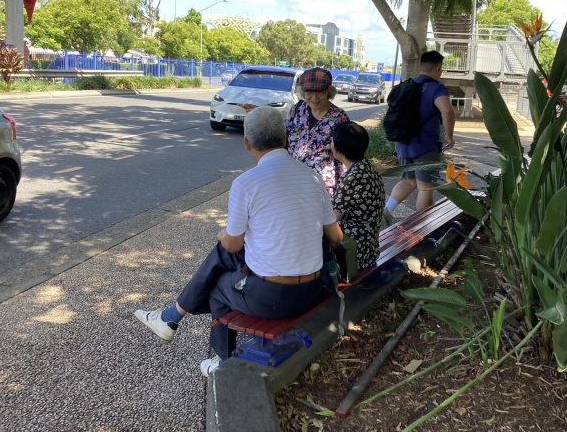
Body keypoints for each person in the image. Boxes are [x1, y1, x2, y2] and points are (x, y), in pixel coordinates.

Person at [135, 106, 343, 376]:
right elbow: (335, 237)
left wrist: (224, 234)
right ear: (285, 139)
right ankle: (170, 317)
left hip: (274, 299)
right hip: (314, 290)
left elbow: (232, 244)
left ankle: (221, 360)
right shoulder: (312, 177)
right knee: (228, 256)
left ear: (247, 143)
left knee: (218, 284)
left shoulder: (247, 183)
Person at [383, 50, 456, 224]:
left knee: (409, 181)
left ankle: (387, 212)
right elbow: (447, 111)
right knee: (425, 187)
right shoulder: (436, 88)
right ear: (438, 69)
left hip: (403, 143)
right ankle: (423, 226)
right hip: (425, 146)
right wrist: (450, 137)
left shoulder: (408, 85)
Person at [285, 67, 350, 197]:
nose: (314, 97)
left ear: (328, 91)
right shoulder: (297, 109)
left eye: (320, 91)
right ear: (303, 92)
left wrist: (342, 193)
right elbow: (283, 137)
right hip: (293, 182)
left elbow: (344, 158)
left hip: (321, 188)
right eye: (309, 91)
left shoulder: (339, 118)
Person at [331, 121, 385, 270]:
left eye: (332, 141)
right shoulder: (366, 167)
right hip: (369, 244)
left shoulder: (353, 179)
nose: (331, 144)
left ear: (339, 149)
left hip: (355, 250)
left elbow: (332, 217)